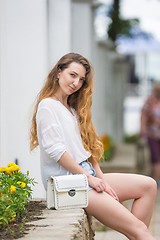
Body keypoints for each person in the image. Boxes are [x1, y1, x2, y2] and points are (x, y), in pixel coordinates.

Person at [30, 53, 157, 240]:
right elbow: (57, 152)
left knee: (149, 185)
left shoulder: (72, 109)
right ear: (58, 72)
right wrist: (89, 179)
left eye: (81, 79)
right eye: (72, 75)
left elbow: (86, 151)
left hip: (86, 175)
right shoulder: (47, 106)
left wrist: (101, 178)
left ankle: (137, 234)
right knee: (139, 229)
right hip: (69, 183)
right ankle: (138, 233)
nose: (76, 83)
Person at [140, 82, 160, 185]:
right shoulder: (150, 101)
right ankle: (157, 180)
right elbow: (143, 114)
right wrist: (142, 128)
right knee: (155, 156)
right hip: (152, 133)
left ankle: (154, 176)